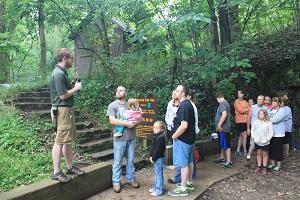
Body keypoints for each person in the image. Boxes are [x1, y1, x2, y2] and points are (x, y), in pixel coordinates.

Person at [49, 48, 84, 182]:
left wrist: (73, 82)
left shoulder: (63, 72)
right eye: (71, 58)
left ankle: (70, 167)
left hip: (66, 110)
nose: (72, 61)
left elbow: (65, 90)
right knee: (59, 141)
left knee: (67, 140)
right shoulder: (58, 73)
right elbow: (63, 95)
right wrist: (76, 88)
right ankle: (56, 172)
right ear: (65, 58)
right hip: (62, 110)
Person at [107, 86, 142, 193]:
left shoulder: (130, 104)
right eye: (117, 90)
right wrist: (126, 123)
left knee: (131, 160)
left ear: (125, 93)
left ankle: (131, 179)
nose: (118, 92)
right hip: (119, 139)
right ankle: (116, 182)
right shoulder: (112, 105)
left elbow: (140, 118)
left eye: (121, 90)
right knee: (118, 161)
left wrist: (134, 123)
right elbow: (112, 121)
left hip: (131, 137)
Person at [168, 85, 196, 197]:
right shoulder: (187, 104)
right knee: (189, 161)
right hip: (190, 138)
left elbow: (184, 126)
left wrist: (174, 136)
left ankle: (183, 188)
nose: (175, 92)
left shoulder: (184, 106)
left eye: (178, 91)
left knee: (183, 164)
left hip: (183, 139)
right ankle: (189, 183)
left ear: (183, 93)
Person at [251, 109, 273, 174]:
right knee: (258, 153)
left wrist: (267, 139)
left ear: (265, 115)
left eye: (262, 114)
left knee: (265, 154)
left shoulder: (269, 122)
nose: (260, 115)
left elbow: (271, 132)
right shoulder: (255, 122)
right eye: (259, 114)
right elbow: (253, 130)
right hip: (257, 141)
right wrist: (254, 138)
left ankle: (264, 167)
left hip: (265, 141)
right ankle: (259, 166)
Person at [246, 95, 267, 165]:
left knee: (261, 146)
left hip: (262, 131)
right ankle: (248, 158)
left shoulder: (265, 108)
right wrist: (248, 128)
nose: (259, 100)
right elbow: (248, 118)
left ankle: (259, 162)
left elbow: (267, 120)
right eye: (258, 99)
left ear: (263, 101)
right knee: (252, 145)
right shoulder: (253, 107)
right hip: (254, 130)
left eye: (261, 99)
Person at [214, 92, 232, 168]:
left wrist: (219, 125)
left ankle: (228, 161)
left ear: (218, 98)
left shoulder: (222, 104)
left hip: (223, 128)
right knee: (222, 143)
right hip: (224, 128)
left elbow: (224, 115)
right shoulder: (226, 103)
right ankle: (222, 158)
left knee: (226, 144)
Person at [268, 97, 286, 172]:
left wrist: (267, 120)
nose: (273, 103)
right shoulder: (270, 109)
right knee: (271, 149)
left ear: (278, 103)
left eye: (275, 102)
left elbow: (275, 120)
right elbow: (265, 116)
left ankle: (278, 165)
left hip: (279, 134)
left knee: (278, 150)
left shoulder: (282, 111)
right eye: (272, 101)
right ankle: (272, 164)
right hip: (270, 133)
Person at [149, 121, 166, 197]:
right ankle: (157, 187)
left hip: (158, 158)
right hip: (155, 158)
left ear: (162, 129)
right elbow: (153, 148)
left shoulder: (160, 137)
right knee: (157, 173)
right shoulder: (156, 136)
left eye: (157, 128)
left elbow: (158, 150)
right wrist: (151, 156)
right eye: (154, 127)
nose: (154, 129)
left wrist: (154, 158)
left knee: (158, 174)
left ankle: (159, 190)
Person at [234, 90, 250, 157]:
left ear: (243, 94)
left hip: (245, 121)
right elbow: (240, 110)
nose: (238, 94)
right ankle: (245, 151)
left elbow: (249, 109)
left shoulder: (245, 102)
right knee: (244, 136)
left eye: (240, 93)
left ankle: (238, 150)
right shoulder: (236, 101)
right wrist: (245, 110)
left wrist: (244, 110)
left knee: (241, 136)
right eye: (238, 93)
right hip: (239, 121)